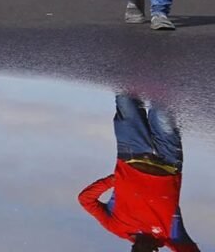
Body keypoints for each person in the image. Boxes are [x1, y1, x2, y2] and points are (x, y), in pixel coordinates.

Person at [78, 95, 198, 252]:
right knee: (161, 106)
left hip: (132, 153)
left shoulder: (116, 227)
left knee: (125, 98)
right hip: (168, 160)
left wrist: (113, 180)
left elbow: (86, 200)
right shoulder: (171, 236)